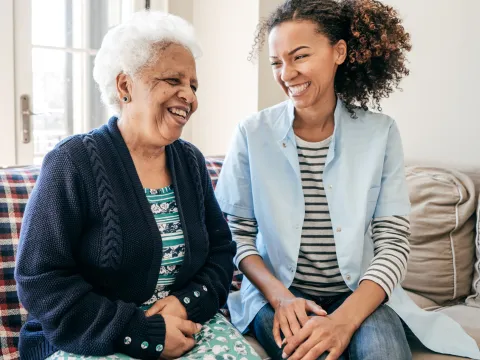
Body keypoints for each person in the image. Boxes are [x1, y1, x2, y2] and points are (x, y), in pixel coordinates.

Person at [215, 0, 480, 359]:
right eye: (277, 62)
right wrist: (280, 298)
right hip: (279, 296)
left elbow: (393, 244)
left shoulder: (380, 133)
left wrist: (344, 321)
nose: (286, 73)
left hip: (359, 295)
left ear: (338, 52)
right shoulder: (251, 133)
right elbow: (236, 234)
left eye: (300, 56)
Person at [15, 11, 261, 360]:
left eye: (193, 85)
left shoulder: (190, 162)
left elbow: (221, 252)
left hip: (183, 324)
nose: (188, 96)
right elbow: (41, 278)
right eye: (173, 80)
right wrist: (142, 334)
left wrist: (182, 303)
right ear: (125, 85)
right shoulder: (72, 162)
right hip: (91, 336)